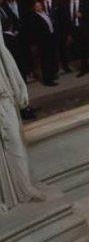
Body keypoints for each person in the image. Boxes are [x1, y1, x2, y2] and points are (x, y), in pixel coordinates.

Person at [0, 39, 46, 213]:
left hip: (3, 92)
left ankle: (24, 186)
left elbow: (3, 51)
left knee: (15, 140)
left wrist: (19, 84)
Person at [2, 0, 31, 80]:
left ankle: (29, 70)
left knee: (26, 52)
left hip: (23, 32)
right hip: (10, 35)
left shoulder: (22, 3)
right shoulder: (5, 6)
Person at [29, 0, 58, 86]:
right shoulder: (34, 17)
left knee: (51, 58)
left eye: (40, 5)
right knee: (46, 61)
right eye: (37, 6)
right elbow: (36, 31)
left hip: (50, 38)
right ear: (34, 8)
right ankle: (47, 80)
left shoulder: (45, 13)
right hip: (43, 42)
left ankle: (52, 75)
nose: (39, 7)